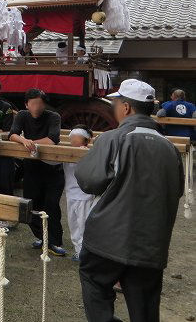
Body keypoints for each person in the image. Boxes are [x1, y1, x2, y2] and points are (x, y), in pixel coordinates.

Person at [75, 79, 183, 322]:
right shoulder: (170, 148)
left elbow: (88, 181)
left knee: (95, 284)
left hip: (108, 239)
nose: (113, 107)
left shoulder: (113, 139)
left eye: (115, 102)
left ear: (126, 107)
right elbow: (175, 191)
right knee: (144, 306)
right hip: (151, 244)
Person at [8, 88, 67, 256]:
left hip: (52, 168)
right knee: (32, 205)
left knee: (52, 205)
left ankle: (54, 242)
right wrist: (23, 140)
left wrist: (29, 142)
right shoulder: (22, 115)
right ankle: (42, 238)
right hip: (32, 167)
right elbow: (12, 134)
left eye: (40, 103)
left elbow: (52, 139)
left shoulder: (53, 116)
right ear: (27, 105)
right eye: (33, 103)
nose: (37, 107)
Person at [63, 125, 94, 262]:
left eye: (77, 137)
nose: (74, 139)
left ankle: (86, 252)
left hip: (85, 195)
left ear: (86, 140)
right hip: (70, 194)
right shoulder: (66, 151)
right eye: (72, 137)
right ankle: (78, 251)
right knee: (73, 224)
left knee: (84, 225)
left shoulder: (91, 152)